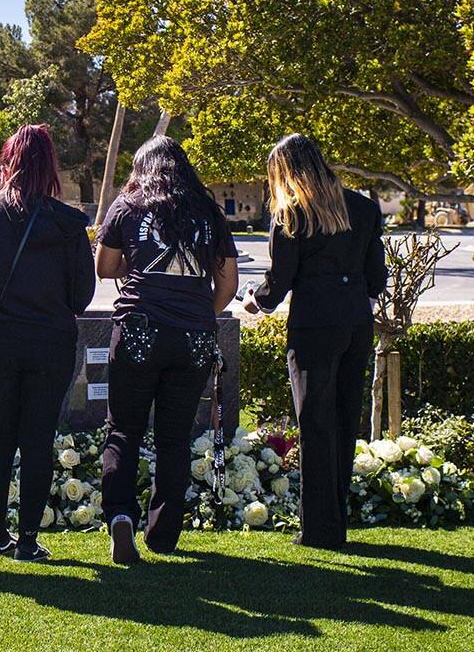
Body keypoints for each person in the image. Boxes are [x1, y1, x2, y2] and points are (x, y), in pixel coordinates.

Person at [96, 136, 239, 564]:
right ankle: (163, 533)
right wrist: (198, 312)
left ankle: (120, 516)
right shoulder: (209, 214)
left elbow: (104, 267)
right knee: (174, 438)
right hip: (192, 337)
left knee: (123, 430)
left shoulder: (127, 206)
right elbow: (228, 284)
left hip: (139, 329)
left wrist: (136, 268)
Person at [242, 133, 386, 550]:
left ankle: (320, 529)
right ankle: (337, 520)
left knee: (315, 425)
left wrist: (256, 300)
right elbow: (377, 277)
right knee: (343, 422)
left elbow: (278, 283)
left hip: (313, 327)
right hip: (356, 322)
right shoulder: (361, 207)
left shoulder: (292, 214)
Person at [0, 124, 95, 562]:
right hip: (50, 344)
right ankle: (26, 540)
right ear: (50, 168)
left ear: (8, 164)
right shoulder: (68, 224)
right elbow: (82, 296)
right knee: (38, 440)